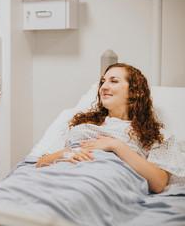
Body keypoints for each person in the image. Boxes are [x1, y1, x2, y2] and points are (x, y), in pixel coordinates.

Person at [36, 63, 176, 194]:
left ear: (134, 91)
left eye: (113, 81)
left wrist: (115, 145)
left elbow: (158, 183)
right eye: (103, 82)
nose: (103, 87)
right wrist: (65, 154)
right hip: (59, 174)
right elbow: (40, 163)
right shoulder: (81, 124)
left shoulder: (157, 136)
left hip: (101, 183)